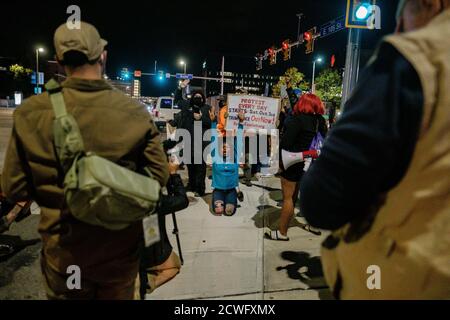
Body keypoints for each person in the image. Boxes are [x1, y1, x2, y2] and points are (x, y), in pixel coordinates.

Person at [1, 22, 169, 300]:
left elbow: (14, 188)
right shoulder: (133, 112)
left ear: (59, 60)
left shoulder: (31, 113)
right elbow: (159, 176)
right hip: (118, 254)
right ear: (102, 56)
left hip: (63, 254)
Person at [300, 0, 450, 299]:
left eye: (402, 15)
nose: (398, 29)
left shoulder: (414, 59)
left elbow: (322, 202)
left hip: (404, 280)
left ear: (433, 4)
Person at [266, 94, 327, 241]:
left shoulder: (297, 120)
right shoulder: (320, 121)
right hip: (309, 163)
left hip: (293, 163)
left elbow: (285, 144)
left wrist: (279, 163)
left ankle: (282, 232)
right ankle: (312, 225)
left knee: (289, 198)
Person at [137, 153, 189, 299]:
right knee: (174, 265)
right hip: (147, 250)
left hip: (119, 251)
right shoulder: (152, 199)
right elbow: (181, 200)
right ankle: (147, 282)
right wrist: (173, 174)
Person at [169, 90, 212, 197]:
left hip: (201, 143)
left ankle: (200, 189)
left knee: (200, 168)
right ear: (192, 97)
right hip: (188, 141)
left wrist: (201, 118)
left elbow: (209, 123)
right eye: (196, 96)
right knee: (191, 166)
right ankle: (191, 185)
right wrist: (180, 88)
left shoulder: (206, 108)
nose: (198, 98)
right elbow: (178, 100)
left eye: (200, 97)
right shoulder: (187, 106)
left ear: (203, 99)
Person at [209, 109, 245, 216]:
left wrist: (241, 122)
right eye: (223, 148)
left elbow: (238, 139)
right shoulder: (215, 157)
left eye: (228, 147)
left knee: (229, 212)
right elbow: (213, 138)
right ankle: (217, 197)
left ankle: (233, 196)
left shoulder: (235, 157)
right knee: (219, 211)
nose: (225, 149)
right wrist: (213, 122)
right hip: (218, 189)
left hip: (231, 189)